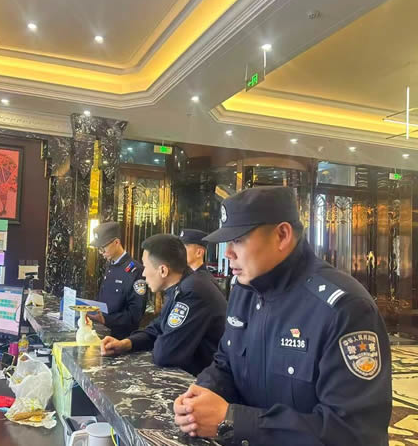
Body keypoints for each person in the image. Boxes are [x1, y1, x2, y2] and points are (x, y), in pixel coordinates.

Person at [173, 187, 392, 445]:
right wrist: (200, 395)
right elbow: (226, 363)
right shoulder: (245, 290)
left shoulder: (344, 308)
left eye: (238, 240)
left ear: (282, 235)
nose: (228, 252)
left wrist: (233, 421)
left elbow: (354, 432)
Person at [101, 234, 227, 376]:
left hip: (206, 382)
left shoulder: (192, 292)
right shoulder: (182, 285)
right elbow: (157, 328)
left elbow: (165, 354)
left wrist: (159, 338)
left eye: (146, 266)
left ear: (163, 270)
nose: (143, 273)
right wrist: (126, 343)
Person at [88, 221, 148, 339]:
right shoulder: (110, 265)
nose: (101, 252)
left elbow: (135, 314)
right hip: (102, 332)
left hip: (120, 338)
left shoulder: (135, 270)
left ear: (116, 242)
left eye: (103, 248)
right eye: (99, 249)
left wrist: (106, 319)